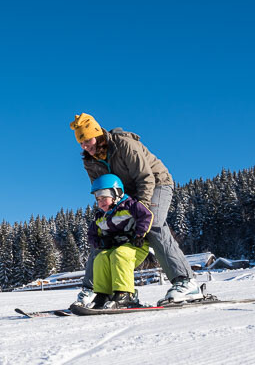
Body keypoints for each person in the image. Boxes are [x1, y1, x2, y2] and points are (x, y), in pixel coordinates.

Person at [70, 112, 203, 303]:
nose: (85, 146)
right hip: (122, 193)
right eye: (81, 143)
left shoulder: (124, 144)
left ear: (98, 135)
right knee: (104, 232)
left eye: (88, 140)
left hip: (156, 183)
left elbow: (146, 178)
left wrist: (142, 209)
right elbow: (100, 189)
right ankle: (97, 289)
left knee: (153, 223)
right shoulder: (89, 161)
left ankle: (186, 281)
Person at [82, 174, 153, 309]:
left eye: (104, 196)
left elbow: (146, 215)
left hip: (135, 246)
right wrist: (100, 242)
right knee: (101, 258)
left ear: (117, 194)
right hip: (115, 248)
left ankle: (125, 294)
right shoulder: (100, 217)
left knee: (119, 254)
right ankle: (103, 294)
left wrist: (139, 235)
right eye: (98, 198)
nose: (101, 201)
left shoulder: (130, 205)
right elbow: (92, 234)